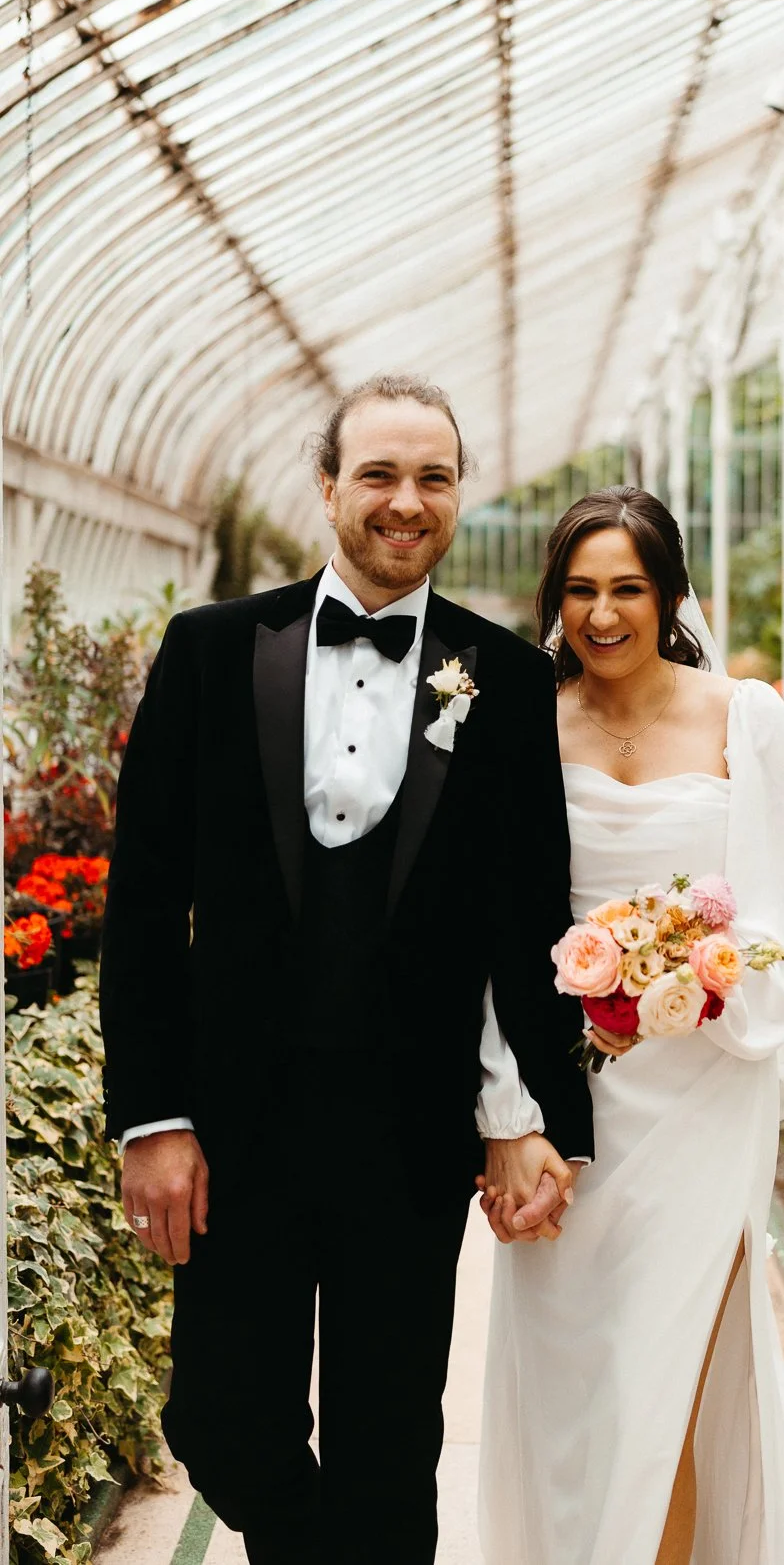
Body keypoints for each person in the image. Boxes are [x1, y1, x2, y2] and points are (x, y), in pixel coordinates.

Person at [98, 373, 594, 1565]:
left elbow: (527, 919)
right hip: (232, 1128)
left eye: (433, 477)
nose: (406, 502)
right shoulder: (213, 651)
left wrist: (524, 1115)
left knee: (386, 1447)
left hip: (408, 1137)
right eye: (378, 474)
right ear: (327, 488)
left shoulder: (510, 680)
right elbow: (145, 900)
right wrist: (154, 1117)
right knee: (220, 1423)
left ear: (460, 494)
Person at [475, 488, 784, 1565]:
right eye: (579, 590)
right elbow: (494, 922)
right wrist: (509, 1103)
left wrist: (691, 981)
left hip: (707, 1083)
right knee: (578, 1371)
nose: (602, 614)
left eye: (626, 589)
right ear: (554, 601)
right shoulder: (523, 720)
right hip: (569, 1087)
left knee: (671, 1365)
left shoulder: (745, 718)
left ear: (667, 596)